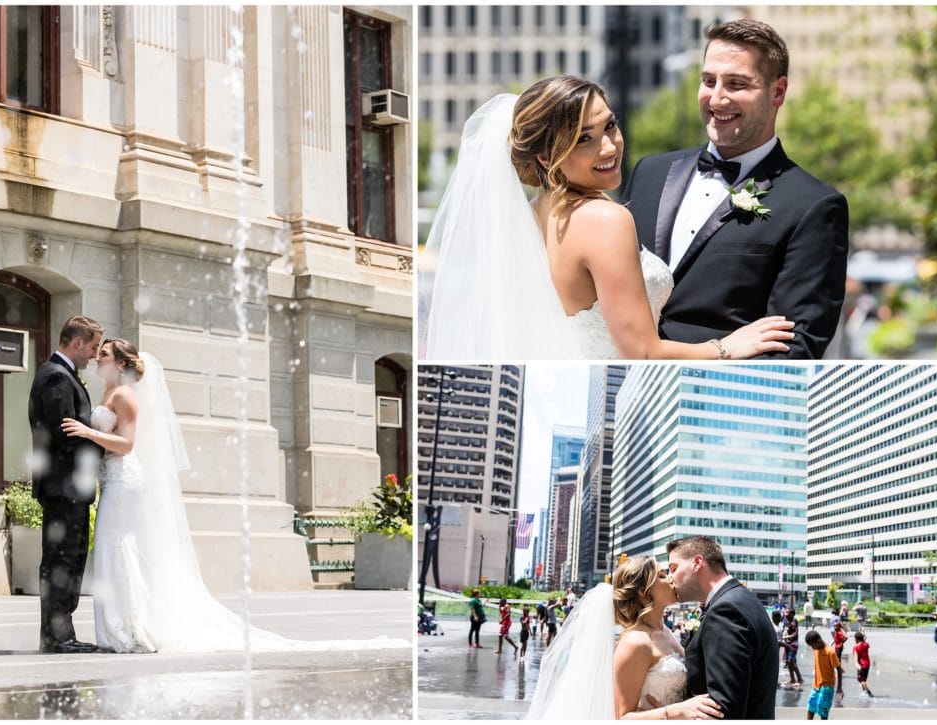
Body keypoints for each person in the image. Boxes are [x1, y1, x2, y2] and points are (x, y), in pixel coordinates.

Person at [60, 338, 407, 654]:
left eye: (103, 355)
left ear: (120, 364)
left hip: (124, 478)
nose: (97, 359)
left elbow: (127, 444)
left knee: (117, 546)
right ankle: (120, 627)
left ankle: (130, 630)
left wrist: (88, 432)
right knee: (111, 547)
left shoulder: (124, 395)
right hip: (112, 478)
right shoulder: (106, 393)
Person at [419, 75, 796, 360]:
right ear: (547, 158)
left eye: (610, 126)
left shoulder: (527, 219)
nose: (609, 146)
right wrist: (726, 347)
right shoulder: (604, 219)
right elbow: (642, 352)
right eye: (584, 139)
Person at [622, 19, 849, 360]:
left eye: (737, 84)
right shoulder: (649, 171)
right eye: (708, 81)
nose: (717, 98)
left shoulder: (815, 206)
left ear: (778, 91)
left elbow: (791, 350)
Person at [526, 557, 723, 719]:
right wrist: (675, 711)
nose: (671, 579)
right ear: (643, 592)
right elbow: (622, 717)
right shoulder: (635, 641)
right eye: (662, 576)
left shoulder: (666, 632)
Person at [28, 315, 105, 654]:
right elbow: (64, 432)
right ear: (77, 344)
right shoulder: (57, 377)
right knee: (63, 562)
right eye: (92, 347)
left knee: (67, 560)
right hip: (64, 487)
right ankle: (58, 637)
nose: (93, 355)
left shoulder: (60, 374)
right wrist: (106, 443)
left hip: (65, 486)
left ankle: (59, 634)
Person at [665, 535, 779, 719]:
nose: (670, 578)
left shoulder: (725, 612)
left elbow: (723, 709)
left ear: (697, 562)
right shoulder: (743, 598)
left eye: (673, 568)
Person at [806, 630, 842, 720]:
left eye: (812, 645)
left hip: (827, 687)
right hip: (816, 686)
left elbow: (839, 669)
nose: (812, 648)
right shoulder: (816, 649)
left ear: (818, 641)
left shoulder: (830, 652)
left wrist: (839, 687)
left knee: (824, 711)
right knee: (811, 706)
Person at [782, 608, 804, 690]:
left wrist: (785, 637)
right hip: (789, 644)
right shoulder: (789, 622)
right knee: (788, 662)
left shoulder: (794, 622)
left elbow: (795, 634)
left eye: (787, 612)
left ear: (791, 614)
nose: (785, 614)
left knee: (792, 661)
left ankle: (800, 679)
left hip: (793, 645)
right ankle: (792, 679)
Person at [852, 631, 873, 697]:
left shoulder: (856, 647)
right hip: (868, 664)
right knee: (863, 680)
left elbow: (856, 659)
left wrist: (857, 665)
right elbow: (864, 638)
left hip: (861, 665)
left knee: (861, 680)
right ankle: (865, 693)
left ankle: (870, 693)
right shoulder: (866, 644)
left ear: (856, 639)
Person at [831, 621, 848, 698]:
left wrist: (841, 643)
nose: (835, 627)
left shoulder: (839, 632)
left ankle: (839, 670)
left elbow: (845, 637)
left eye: (836, 626)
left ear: (839, 626)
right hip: (837, 647)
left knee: (838, 659)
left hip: (839, 647)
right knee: (837, 659)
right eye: (834, 626)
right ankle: (840, 669)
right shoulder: (836, 631)